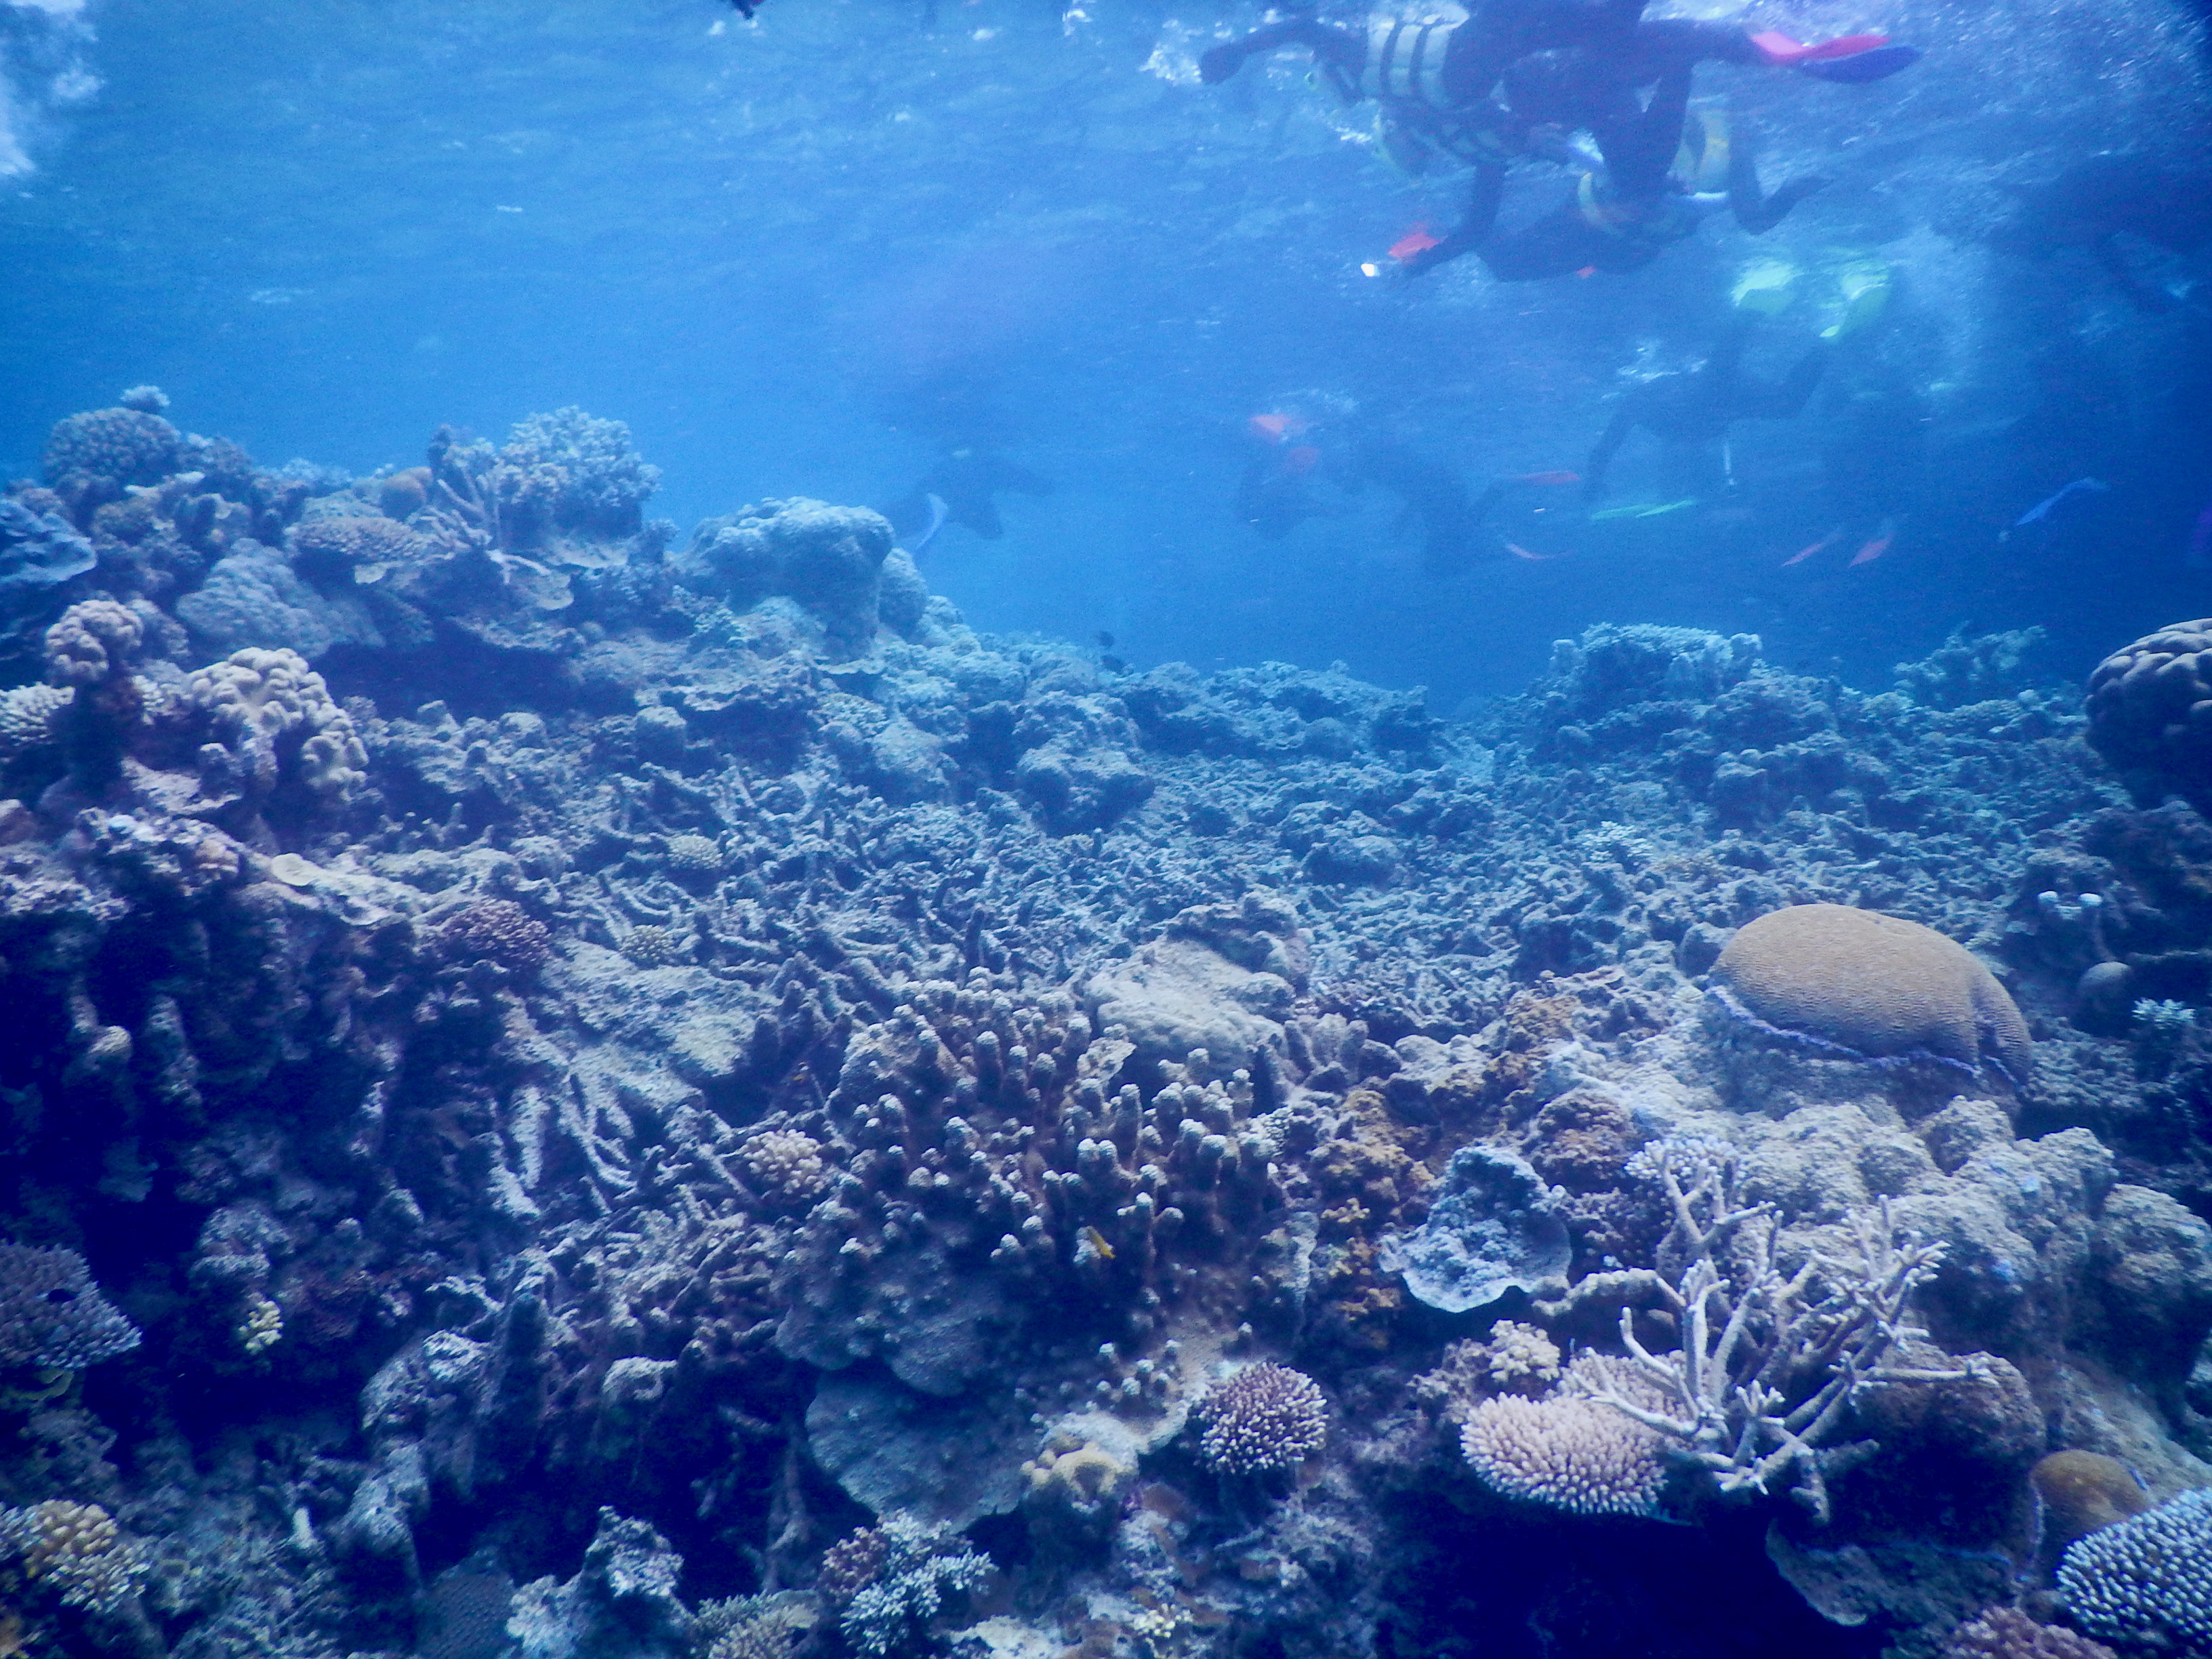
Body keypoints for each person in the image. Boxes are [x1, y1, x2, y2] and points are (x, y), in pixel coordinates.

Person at [1582, 314, 1826, 498]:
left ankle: (1746, 319)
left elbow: (1608, 445)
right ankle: (1824, 349)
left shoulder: (1643, 402)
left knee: (1717, 386)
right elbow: (1608, 445)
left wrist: (1594, 478)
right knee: (1788, 408)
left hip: (1714, 401)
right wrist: (1595, 478)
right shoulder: (1650, 408)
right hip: (1727, 404)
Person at [1990, 155, 2212, 313]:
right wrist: (2131, 290)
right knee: (2185, 239)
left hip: (2137, 187)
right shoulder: (2059, 218)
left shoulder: (2055, 210)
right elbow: (2101, 246)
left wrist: (2131, 289)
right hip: (2135, 195)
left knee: (2185, 232)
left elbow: (2099, 243)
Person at [884, 449, 1054, 547]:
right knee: (993, 531)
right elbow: (991, 530)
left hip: (939, 498)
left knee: (892, 523)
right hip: (949, 499)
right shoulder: (990, 464)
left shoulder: (985, 463)